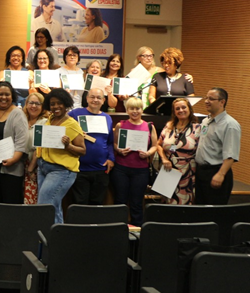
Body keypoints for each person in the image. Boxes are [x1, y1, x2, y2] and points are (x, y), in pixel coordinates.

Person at [29, 88, 85, 224]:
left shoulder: (72, 124)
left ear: (66, 104)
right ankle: (58, 235)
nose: (56, 107)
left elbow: (83, 150)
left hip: (61, 171)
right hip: (43, 167)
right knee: (54, 206)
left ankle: (50, 235)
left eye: (60, 103)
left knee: (45, 206)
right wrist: (34, 166)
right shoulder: (50, 120)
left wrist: (69, 146)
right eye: (52, 104)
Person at [113, 96, 158, 225]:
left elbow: (155, 145)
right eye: (131, 108)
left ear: (142, 110)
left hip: (141, 170)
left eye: (137, 108)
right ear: (127, 110)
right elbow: (114, 144)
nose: (135, 111)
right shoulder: (121, 125)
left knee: (137, 202)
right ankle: (118, 227)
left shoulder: (149, 126)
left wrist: (148, 153)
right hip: (121, 169)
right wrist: (119, 150)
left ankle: (137, 229)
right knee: (120, 201)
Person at [195, 88, 241, 205]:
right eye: (206, 98)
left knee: (214, 211)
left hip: (216, 172)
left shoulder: (230, 125)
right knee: (200, 210)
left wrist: (221, 174)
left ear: (222, 102)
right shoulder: (206, 121)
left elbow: (231, 154)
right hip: (201, 173)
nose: (206, 101)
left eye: (211, 99)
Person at [68, 88, 114, 205]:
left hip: (101, 169)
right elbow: (63, 127)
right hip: (80, 168)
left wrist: (111, 159)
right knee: (79, 203)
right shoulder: (75, 114)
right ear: (87, 99)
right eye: (92, 97)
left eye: (99, 97)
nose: (95, 100)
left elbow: (110, 142)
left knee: (97, 203)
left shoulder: (107, 118)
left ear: (103, 100)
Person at [0, 81, 31, 206]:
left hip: (10, 166)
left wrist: (13, 159)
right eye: (0, 94)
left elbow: (22, 140)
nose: (4, 97)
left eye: (7, 94)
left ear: (12, 96)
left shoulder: (18, 114)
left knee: (10, 201)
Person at [157, 98, 200, 205]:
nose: (181, 110)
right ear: (174, 112)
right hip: (169, 169)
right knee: (167, 203)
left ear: (189, 109)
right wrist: (164, 159)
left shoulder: (198, 128)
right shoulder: (169, 126)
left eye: (184, 107)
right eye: (177, 108)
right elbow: (158, 145)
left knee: (184, 203)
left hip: (187, 172)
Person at [22, 93, 46, 204]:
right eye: (31, 103)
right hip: (20, 164)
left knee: (32, 199)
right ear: (26, 104)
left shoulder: (45, 122)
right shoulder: (22, 120)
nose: (34, 106)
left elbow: (40, 147)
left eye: (37, 103)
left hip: (35, 165)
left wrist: (31, 167)